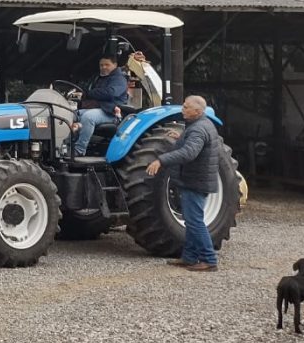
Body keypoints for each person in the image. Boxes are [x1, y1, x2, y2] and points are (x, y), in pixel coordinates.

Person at [147, 94, 221, 272]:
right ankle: (189, 257)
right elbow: (191, 143)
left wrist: (161, 160)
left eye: (186, 107)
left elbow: (189, 153)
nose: (182, 109)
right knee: (191, 220)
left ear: (198, 111)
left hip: (196, 181)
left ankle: (209, 259)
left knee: (195, 222)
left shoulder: (198, 129)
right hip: (195, 179)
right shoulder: (197, 126)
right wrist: (180, 137)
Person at [71, 53, 131, 156]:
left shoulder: (119, 79)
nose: (103, 67)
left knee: (88, 117)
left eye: (106, 65)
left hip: (112, 112)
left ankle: (79, 150)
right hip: (101, 109)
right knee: (71, 114)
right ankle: (67, 145)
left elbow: (111, 93)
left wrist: (89, 93)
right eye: (101, 65)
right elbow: (98, 92)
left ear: (115, 65)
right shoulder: (100, 78)